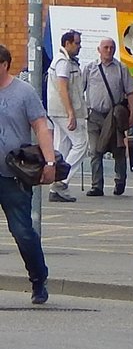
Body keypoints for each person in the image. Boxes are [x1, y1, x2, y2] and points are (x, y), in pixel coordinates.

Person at [0, 44, 58, 304]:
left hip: (12, 175)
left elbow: (41, 126)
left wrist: (49, 162)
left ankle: (38, 279)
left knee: (23, 231)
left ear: (4, 64)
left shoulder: (23, 92)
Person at [82, 37, 133, 196]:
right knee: (94, 151)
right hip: (95, 116)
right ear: (99, 50)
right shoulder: (90, 68)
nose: (108, 50)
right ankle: (96, 185)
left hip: (114, 117)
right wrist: (82, 111)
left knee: (118, 150)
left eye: (111, 47)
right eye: (105, 47)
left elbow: (130, 92)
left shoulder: (121, 68)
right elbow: (80, 90)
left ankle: (120, 182)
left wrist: (132, 113)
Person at [46, 30, 86, 202]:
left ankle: (56, 185)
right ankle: (61, 182)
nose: (79, 46)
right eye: (76, 43)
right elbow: (63, 87)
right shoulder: (63, 62)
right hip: (64, 111)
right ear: (67, 43)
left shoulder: (65, 61)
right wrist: (71, 113)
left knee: (61, 147)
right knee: (81, 144)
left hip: (57, 111)